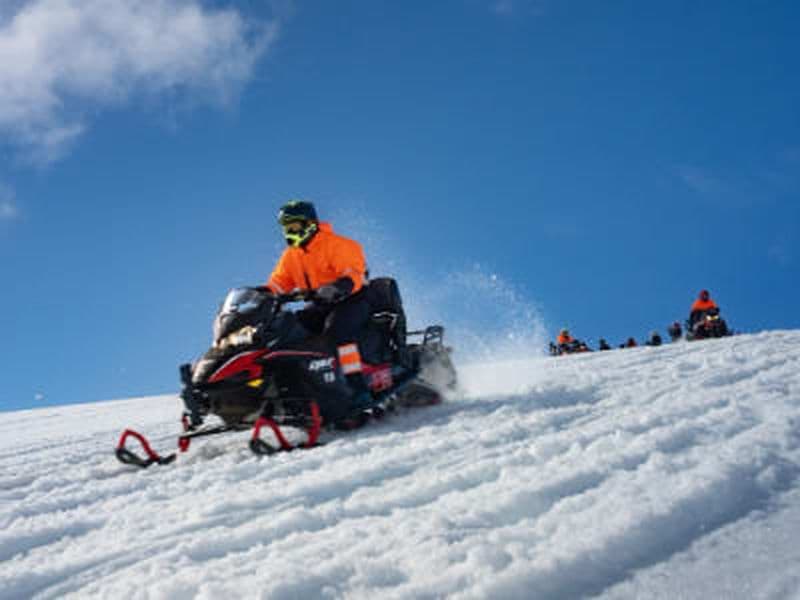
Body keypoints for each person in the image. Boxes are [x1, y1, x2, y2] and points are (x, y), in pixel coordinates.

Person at [266, 199, 372, 405]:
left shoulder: (337, 244)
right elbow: (279, 283)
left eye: (294, 226)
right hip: (319, 304)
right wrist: (261, 295)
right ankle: (296, 386)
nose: (290, 232)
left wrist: (339, 286)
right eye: (286, 228)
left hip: (352, 299)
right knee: (287, 331)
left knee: (337, 332)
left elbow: (353, 272)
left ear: (310, 224)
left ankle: (357, 386)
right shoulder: (291, 256)